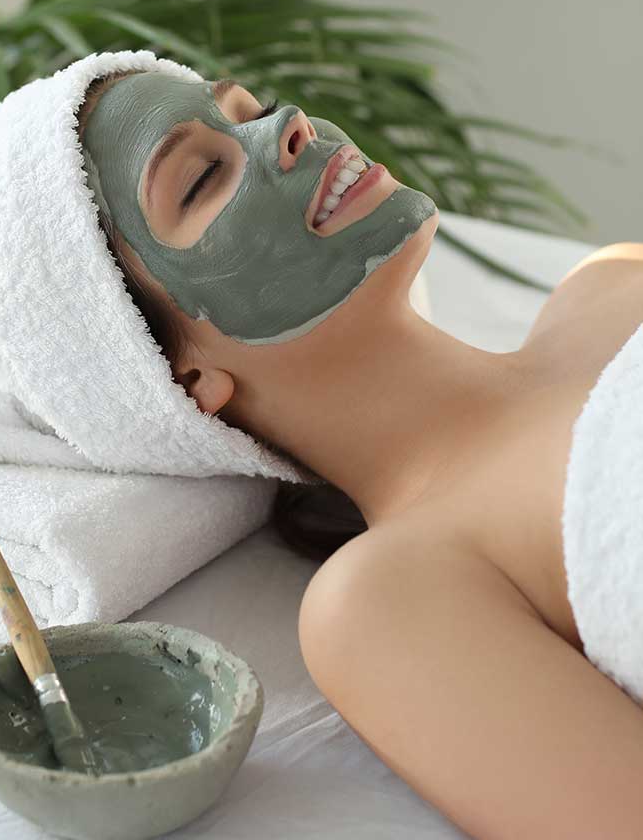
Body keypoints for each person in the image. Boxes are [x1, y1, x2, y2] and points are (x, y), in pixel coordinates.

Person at [76, 65, 643, 838]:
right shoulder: (386, 600)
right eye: (202, 177)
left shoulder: (611, 283)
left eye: (255, 108)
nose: (290, 125)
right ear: (181, 379)